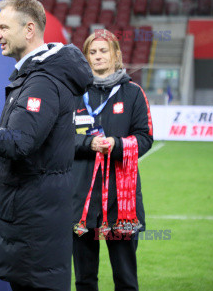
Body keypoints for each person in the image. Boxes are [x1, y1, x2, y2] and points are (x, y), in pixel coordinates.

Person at [0, 0, 93, 291]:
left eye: (3, 27)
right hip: (33, 222)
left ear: (29, 30)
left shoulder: (43, 81)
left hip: (34, 226)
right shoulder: (37, 76)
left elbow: (17, 144)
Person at [72, 29, 153, 291]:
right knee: (84, 280)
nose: (97, 57)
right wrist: (88, 143)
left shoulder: (133, 93)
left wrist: (117, 145)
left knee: (126, 279)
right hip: (80, 201)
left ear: (116, 54)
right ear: (86, 58)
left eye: (103, 51)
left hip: (121, 203)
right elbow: (58, 138)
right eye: (92, 52)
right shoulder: (73, 94)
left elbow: (145, 138)